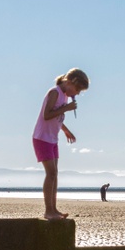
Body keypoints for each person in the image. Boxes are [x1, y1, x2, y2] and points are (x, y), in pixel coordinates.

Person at [33, 68, 89, 220]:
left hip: (52, 138)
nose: (76, 94)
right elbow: (47, 115)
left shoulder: (64, 96)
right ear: (70, 82)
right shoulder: (55, 92)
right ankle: (48, 211)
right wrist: (66, 108)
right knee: (50, 173)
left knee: (55, 174)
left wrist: (66, 130)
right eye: (77, 89)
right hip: (42, 138)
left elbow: (57, 118)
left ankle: (54, 209)